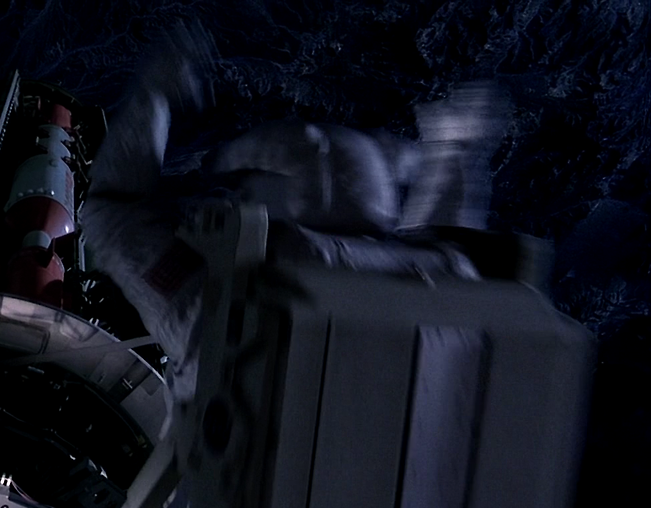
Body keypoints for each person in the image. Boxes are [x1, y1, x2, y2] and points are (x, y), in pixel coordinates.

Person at [80, 21, 511, 404]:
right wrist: (453, 151)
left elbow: (110, 212)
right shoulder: (440, 279)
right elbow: (439, 242)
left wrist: (156, 91)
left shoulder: (210, 310)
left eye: (244, 191)